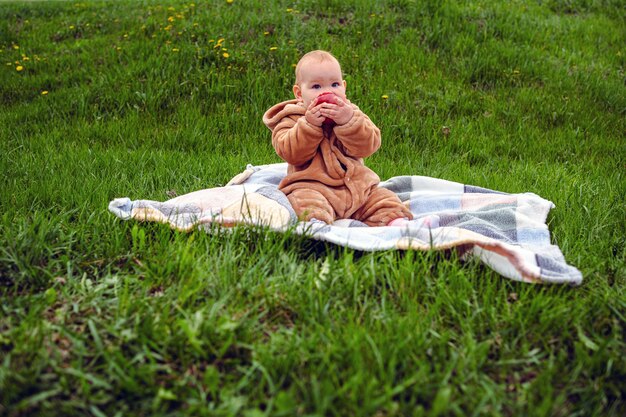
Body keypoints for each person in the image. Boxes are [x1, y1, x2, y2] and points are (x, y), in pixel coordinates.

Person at [262, 50, 413, 227]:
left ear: (344, 87)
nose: (327, 92)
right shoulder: (291, 119)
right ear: (299, 93)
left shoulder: (350, 113)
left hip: (356, 187)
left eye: (334, 84)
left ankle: (397, 224)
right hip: (312, 186)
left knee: (382, 199)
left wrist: (348, 122)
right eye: (316, 87)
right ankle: (316, 228)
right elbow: (290, 153)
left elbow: (369, 146)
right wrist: (309, 126)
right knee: (306, 203)